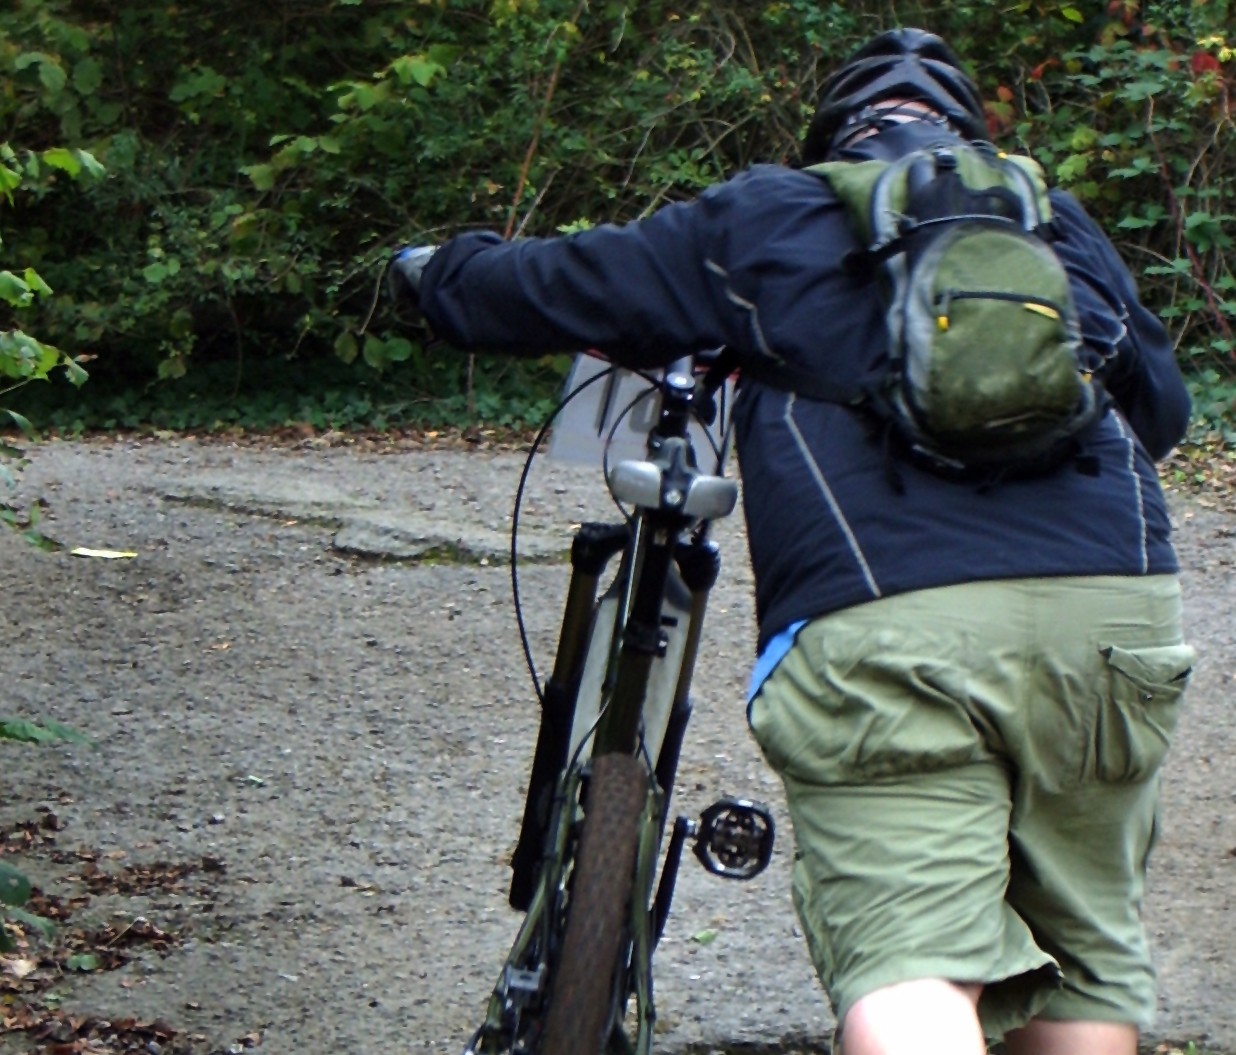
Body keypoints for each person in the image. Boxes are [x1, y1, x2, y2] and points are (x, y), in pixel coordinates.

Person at [390, 27, 1195, 1055]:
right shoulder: (1054, 221)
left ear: (836, 137)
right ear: (961, 132)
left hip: (892, 625)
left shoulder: (772, 213)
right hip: (1112, 607)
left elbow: (556, 284)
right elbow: (1158, 412)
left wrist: (440, 272)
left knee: (913, 970)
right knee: (1082, 969)